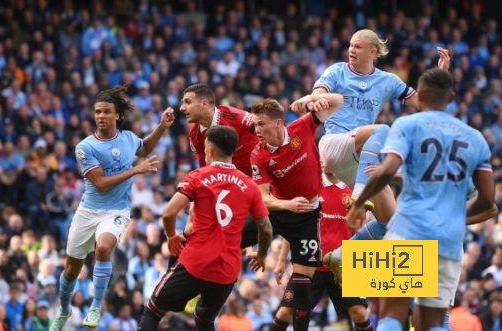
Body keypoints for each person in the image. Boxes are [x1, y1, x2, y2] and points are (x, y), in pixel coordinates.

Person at [347, 68, 497, 331]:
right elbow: (488, 202)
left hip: (409, 230)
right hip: (449, 241)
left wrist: (359, 203)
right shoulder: (475, 138)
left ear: (421, 93)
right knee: (434, 322)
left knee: (392, 313)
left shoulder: (407, 125)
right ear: (451, 97)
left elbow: (387, 169)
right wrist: (455, 215)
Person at [309, 28, 450, 282]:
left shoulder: (388, 80)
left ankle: (343, 255)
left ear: (373, 52)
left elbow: (424, 104)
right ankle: (361, 196)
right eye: (350, 45)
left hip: (363, 158)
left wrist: (441, 76)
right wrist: (318, 99)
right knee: (383, 129)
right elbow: (319, 91)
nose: (351, 50)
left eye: (358, 46)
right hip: (333, 146)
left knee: (393, 224)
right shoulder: (337, 71)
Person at [50, 86, 175, 330]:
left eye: (106, 111)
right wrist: (135, 170)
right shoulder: (85, 147)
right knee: (71, 268)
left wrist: (162, 127)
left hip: (116, 210)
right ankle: (64, 309)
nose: (101, 116)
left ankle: (96, 306)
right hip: (88, 211)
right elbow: (101, 183)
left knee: (104, 247)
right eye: (97, 112)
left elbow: (145, 148)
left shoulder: (128, 138)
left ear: (117, 115)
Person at [137, 125, 272, 331]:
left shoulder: (198, 177)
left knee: (153, 310)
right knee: (204, 320)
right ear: (233, 151)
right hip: (227, 270)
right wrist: (262, 255)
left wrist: (172, 236)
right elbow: (266, 229)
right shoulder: (250, 186)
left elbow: (168, 213)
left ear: (209, 150)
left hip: (196, 262)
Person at [245, 95, 343, 331]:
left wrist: (313, 98)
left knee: (301, 288)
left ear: (279, 123)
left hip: (307, 217)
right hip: (279, 211)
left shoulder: (303, 126)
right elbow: (262, 198)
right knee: (230, 237)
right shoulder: (258, 154)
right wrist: (288, 205)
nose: (256, 129)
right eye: (255, 124)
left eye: (261, 124)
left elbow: (338, 100)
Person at [274, 172, 372, 331]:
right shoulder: (310, 188)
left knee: (359, 313)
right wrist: (280, 261)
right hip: (311, 266)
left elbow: (361, 230)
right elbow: (295, 226)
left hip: (344, 265)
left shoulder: (354, 190)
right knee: (285, 312)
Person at [180, 83, 259, 176]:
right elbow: (206, 170)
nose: (182, 108)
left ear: (204, 104)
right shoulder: (194, 136)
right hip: (232, 183)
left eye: (188, 102)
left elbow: (265, 131)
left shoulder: (235, 117)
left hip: (261, 181)